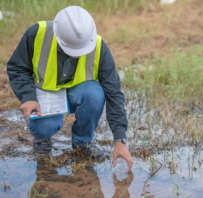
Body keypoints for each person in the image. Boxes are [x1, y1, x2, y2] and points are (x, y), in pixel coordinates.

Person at [6, 6, 133, 171]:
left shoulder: (99, 47)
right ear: (58, 37)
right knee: (46, 126)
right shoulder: (37, 34)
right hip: (45, 96)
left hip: (77, 93)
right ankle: (42, 142)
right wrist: (28, 97)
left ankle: (82, 143)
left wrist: (120, 139)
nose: (77, 54)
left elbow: (114, 92)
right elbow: (17, 68)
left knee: (95, 94)